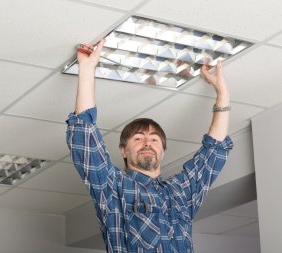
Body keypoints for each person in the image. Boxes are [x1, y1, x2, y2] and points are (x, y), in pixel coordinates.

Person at [66, 39, 233, 253]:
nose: (147, 142)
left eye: (154, 139)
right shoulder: (113, 188)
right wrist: (87, 69)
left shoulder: (181, 192)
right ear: (123, 150)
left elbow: (214, 151)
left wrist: (222, 94)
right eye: (138, 138)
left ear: (163, 151)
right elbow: (84, 138)